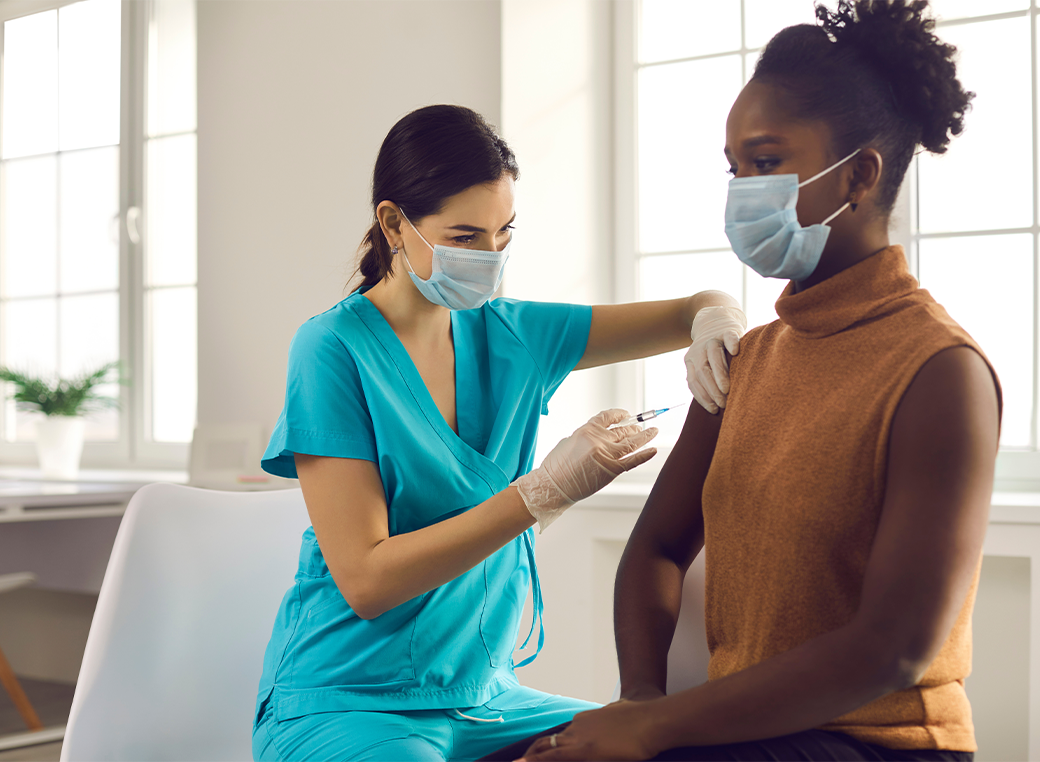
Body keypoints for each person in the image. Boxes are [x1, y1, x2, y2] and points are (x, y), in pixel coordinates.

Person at [501, 1, 1002, 760]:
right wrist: (639, 697)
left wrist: (654, 730)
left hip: (882, 743)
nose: (742, 192)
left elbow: (893, 648)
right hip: (740, 731)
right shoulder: (751, 359)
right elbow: (657, 550)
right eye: (734, 168)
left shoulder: (939, 374)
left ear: (859, 174)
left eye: (765, 163)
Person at [250, 104, 748, 762]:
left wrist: (717, 319)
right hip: (350, 698)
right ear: (394, 224)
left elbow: (693, 309)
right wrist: (545, 491)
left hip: (487, 698)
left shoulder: (515, 334)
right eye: (464, 237)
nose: (490, 259)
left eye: (503, 233)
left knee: (660, 748)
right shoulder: (333, 350)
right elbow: (368, 581)